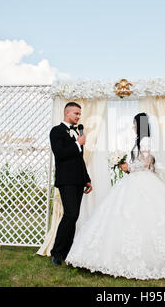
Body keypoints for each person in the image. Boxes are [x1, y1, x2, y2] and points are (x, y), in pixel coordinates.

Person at [65, 113, 165, 280]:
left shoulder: (145, 140)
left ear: (140, 125)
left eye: (134, 124)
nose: (132, 127)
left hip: (141, 179)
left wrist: (128, 167)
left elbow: (146, 163)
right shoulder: (142, 140)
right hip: (137, 180)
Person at [49, 102, 92, 266]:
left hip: (78, 180)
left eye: (79, 114)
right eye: (76, 113)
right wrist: (77, 144)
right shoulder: (56, 131)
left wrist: (86, 178)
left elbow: (79, 160)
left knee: (74, 217)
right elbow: (59, 153)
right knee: (70, 214)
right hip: (66, 180)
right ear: (67, 113)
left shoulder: (77, 132)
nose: (78, 116)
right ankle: (56, 252)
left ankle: (66, 252)